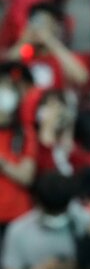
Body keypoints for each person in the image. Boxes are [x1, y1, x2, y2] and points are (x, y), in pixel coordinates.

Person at [0, 67, 36, 231]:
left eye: (7, 90)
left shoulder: (24, 133)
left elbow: (26, 176)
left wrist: (2, 163)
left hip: (17, 219)